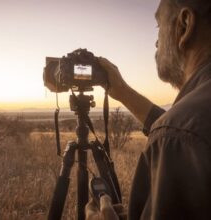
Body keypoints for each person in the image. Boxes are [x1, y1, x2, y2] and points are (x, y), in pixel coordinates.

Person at [86, 0, 211, 219]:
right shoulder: (187, 128)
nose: (156, 43)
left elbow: (181, 133)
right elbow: (189, 130)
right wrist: (123, 92)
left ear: (184, 25)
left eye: (158, 27)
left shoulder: (178, 136)